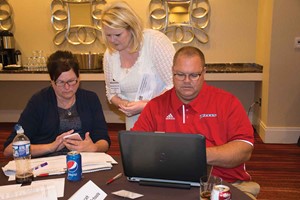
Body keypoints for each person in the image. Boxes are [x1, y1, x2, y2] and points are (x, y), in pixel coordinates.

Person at [132, 46, 260, 199]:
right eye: (180, 74)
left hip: (225, 185)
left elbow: (244, 149)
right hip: (170, 185)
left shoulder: (227, 102)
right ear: (172, 72)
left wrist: (194, 155)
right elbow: (135, 147)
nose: (186, 81)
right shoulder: (155, 106)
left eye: (194, 75)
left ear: (204, 73)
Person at [3, 50, 110, 158]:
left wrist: (94, 148)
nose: (67, 87)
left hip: (85, 161)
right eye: (60, 82)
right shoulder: (39, 102)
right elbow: (9, 149)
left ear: (79, 78)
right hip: (48, 163)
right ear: (51, 81)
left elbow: (104, 140)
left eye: (72, 81)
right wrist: (50, 147)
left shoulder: (90, 99)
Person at [100, 1, 175, 130]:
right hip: (134, 120)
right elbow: (111, 93)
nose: (112, 40)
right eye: (108, 35)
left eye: (118, 35)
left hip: (165, 116)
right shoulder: (110, 55)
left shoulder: (155, 42)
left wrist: (147, 105)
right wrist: (122, 104)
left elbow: (175, 85)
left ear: (131, 28)